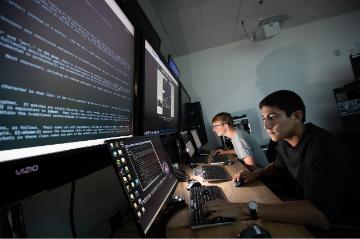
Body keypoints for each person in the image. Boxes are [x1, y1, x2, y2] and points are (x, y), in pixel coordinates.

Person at [203, 90, 350, 231]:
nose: (266, 126)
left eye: (272, 117)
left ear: (297, 116)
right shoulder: (284, 142)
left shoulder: (323, 146)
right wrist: (256, 174)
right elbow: (277, 166)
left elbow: (320, 214)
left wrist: (245, 208)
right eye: (264, 118)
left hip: (335, 221)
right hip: (302, 201)